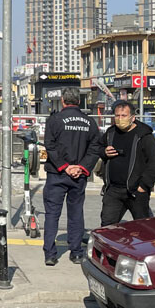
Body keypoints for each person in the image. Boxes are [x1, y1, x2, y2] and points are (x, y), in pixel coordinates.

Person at [42, 88, 102, 266]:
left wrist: (65, 166)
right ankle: (76, 252)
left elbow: (49, 145)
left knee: (52, 213)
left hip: (57, 173)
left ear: (62, 100)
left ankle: (50, 254)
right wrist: (82, 167)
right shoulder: (89, 122)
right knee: (76, 213)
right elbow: (95, 148)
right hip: (79, 176)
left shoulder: (54, 120)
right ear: (79, 101)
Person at [97, 100, 155, 227]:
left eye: (124, 116)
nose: (120, 119)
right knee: (107, 226)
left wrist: (142, 186)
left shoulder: (144, 136)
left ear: (133, 117)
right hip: (113, 190)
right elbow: (97, 147)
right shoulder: (110, 133)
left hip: (135, 191)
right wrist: (104, 152)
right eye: (117, 116)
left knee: (143, 227)